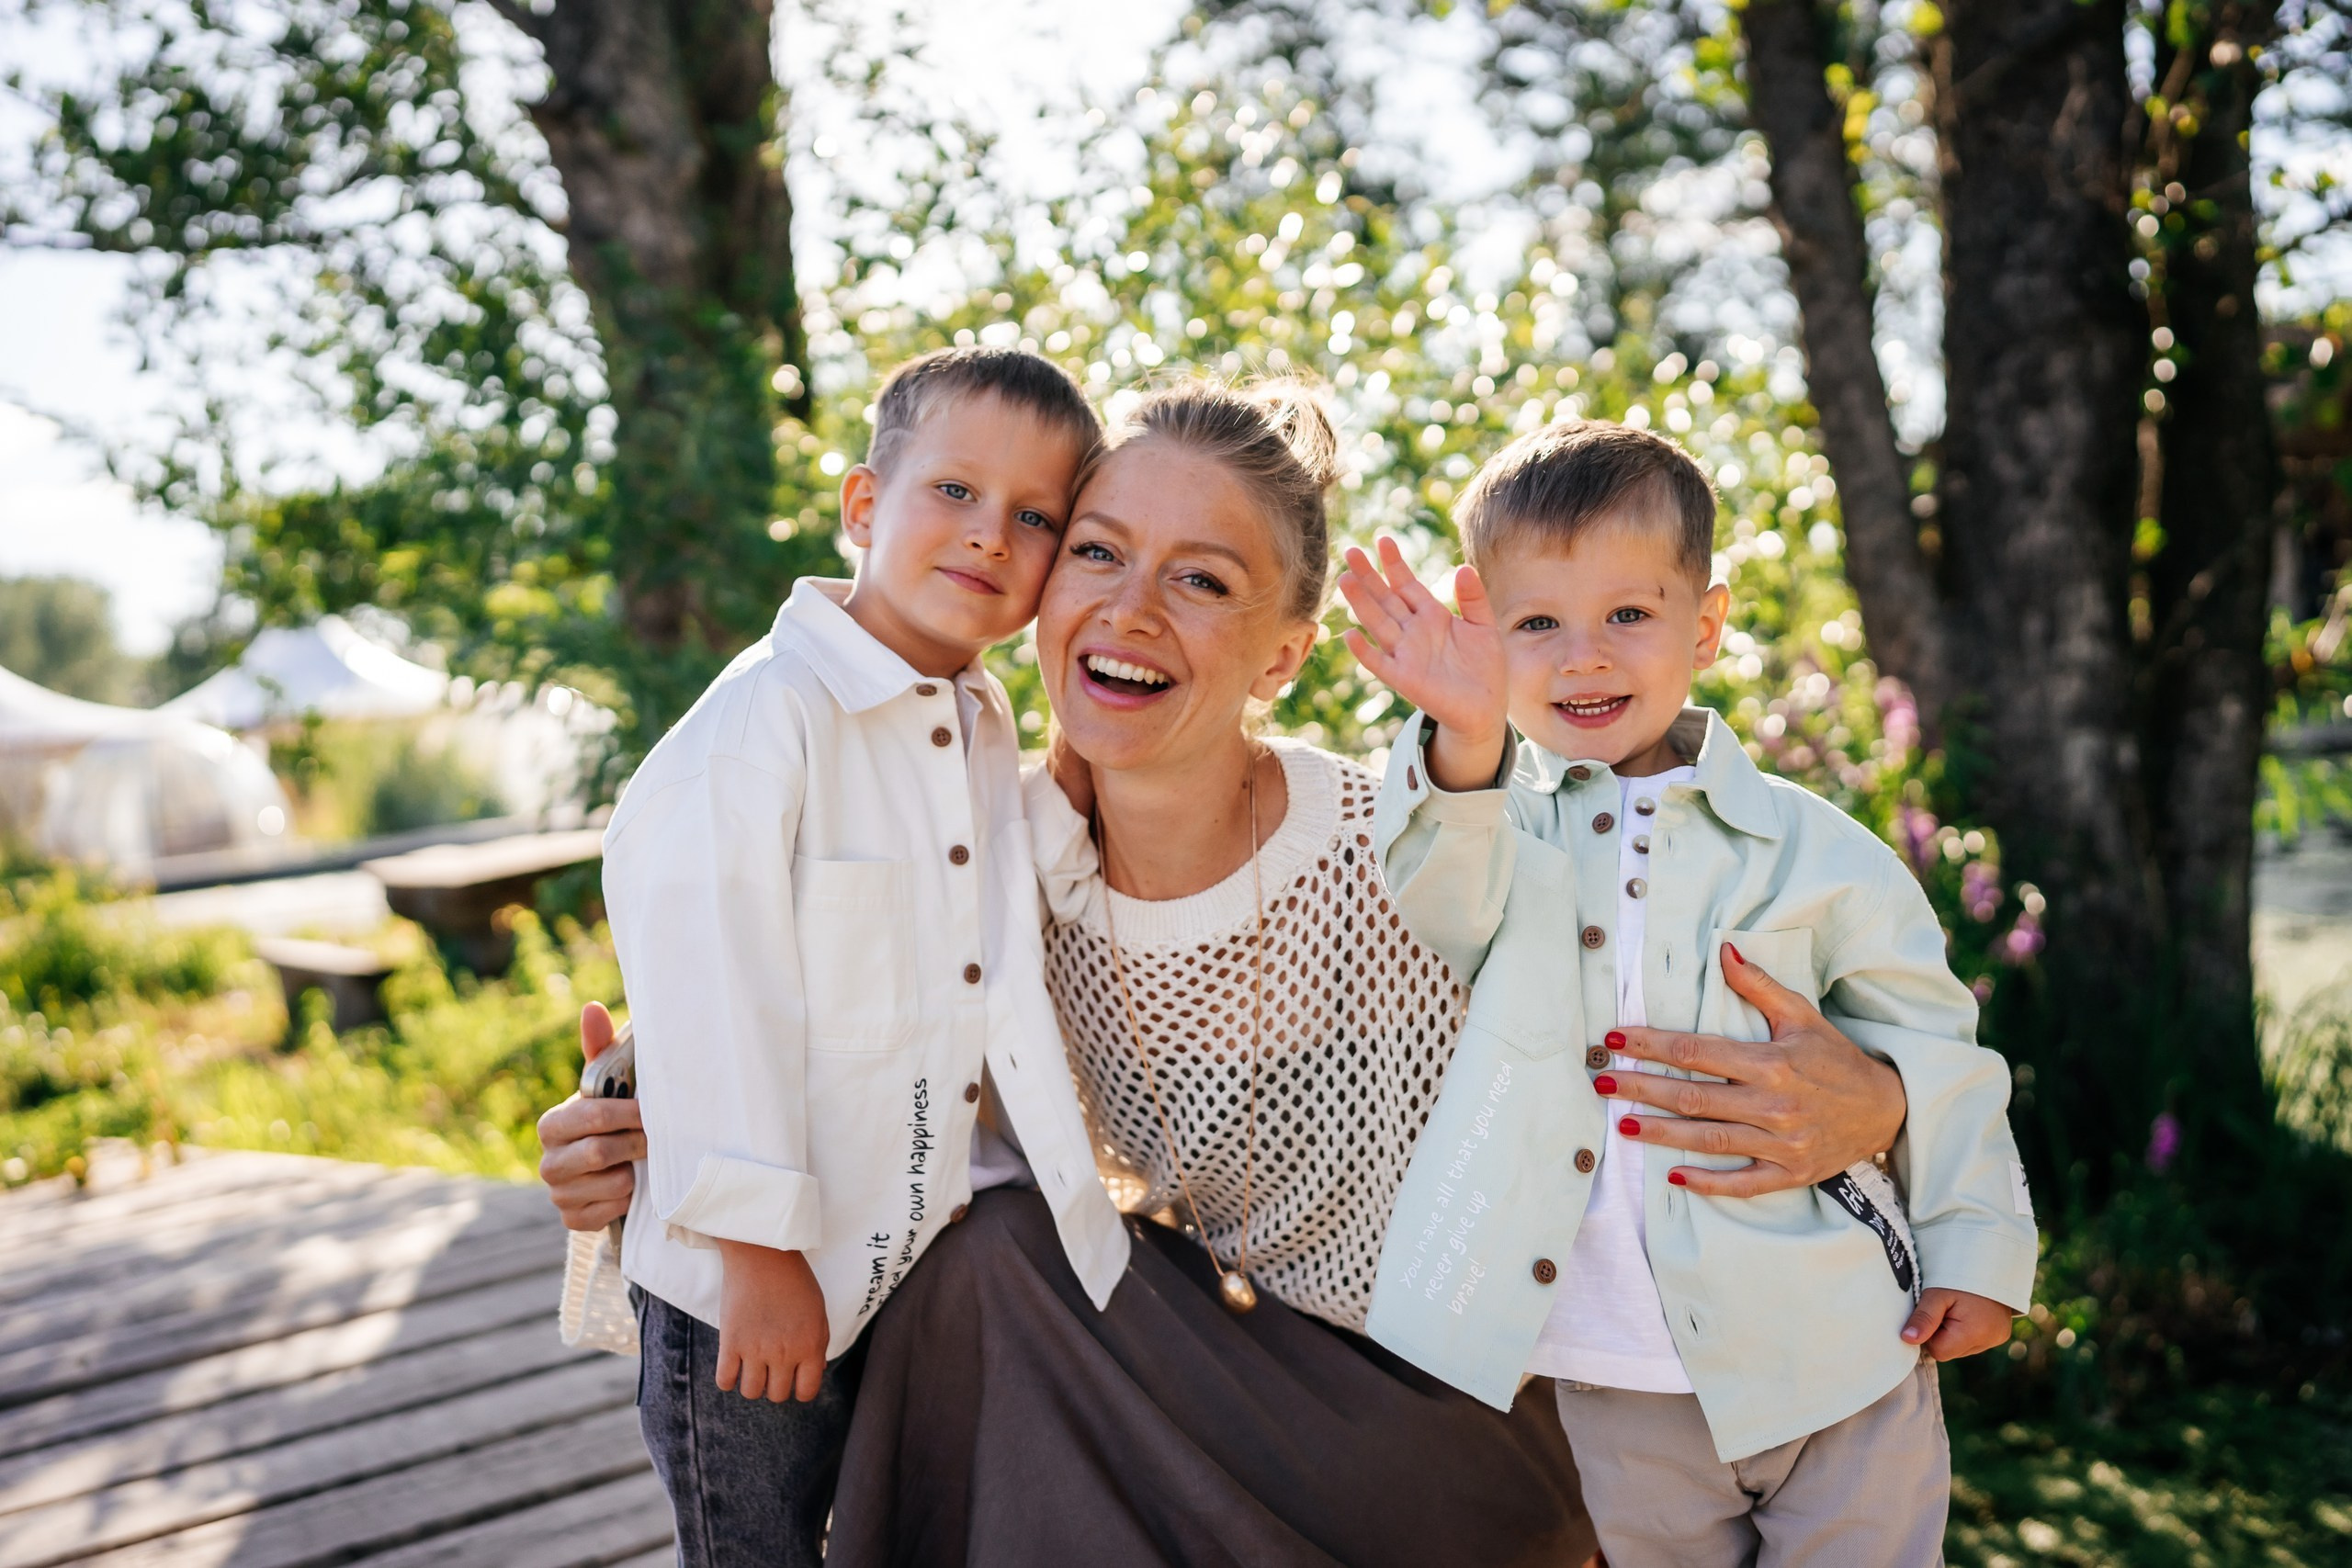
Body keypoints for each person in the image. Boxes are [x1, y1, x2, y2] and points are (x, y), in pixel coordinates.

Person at [538, 376, 1920, 1567]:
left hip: (1454, 1423)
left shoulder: (1414, 841)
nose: (1133, 610)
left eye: (1202, 578)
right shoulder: (996, 854)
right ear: (1037, 586)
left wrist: (1882, 1099)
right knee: (988, 1260)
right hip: (1201, 1380)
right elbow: (832, 1029)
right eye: (1095, 552)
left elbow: (1673, 978)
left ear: (1285, 649)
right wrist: (642, 1124)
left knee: (1010, 1268)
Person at [1339, 419, 2038, 1566]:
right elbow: (1441, 896)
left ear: (1702, 624)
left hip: (1834, 1351)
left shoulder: (1820, 854)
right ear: (1485, 633)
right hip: (1616, 1376)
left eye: (1626, 613)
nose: (1583, 658)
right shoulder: (1497, 826)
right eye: (1535, 625)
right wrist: (1462, 736)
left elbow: (1937, 1054)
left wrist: (1977, 1249)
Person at [599, 344, 1129, 1568]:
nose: (990, 533)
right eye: (954, 489)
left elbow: (996, 934)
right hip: (750, 1295)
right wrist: (758, 1247)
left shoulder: (979, 715)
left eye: (1035, 515)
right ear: (861, 506)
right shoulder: (765, 721)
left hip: (903, 1258)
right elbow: (712, 998)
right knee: (760, 1546)